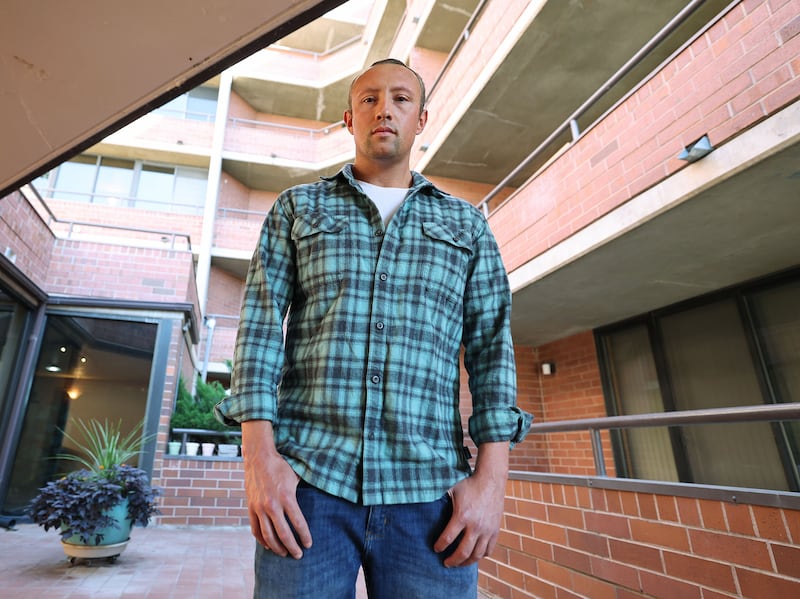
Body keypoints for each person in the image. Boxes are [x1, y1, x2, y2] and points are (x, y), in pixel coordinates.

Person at [215, 58, 531, 599]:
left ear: (422, 118)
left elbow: (490, 348)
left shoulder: (467, 224)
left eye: (401, 98)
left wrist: (492, 481)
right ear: (349, 118)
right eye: (370, 99)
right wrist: (259, 462)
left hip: (432, 497)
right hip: (308, 487)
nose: (384, 108)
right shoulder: (297, 208)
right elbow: (260, 332)